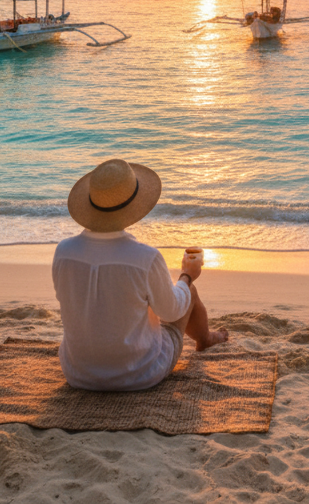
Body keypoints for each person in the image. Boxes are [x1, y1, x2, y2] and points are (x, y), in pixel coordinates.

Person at [52, 158, 228, 391]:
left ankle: (202, 334)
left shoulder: (64, 253)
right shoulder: (145, 258)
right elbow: (172, 311)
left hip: (78, 373)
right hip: (139, 373)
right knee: (187, 292)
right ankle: (205, 339)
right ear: (134, 205)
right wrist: (187, 275)